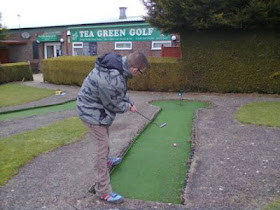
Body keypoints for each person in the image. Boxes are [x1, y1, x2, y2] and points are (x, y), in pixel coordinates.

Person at [77, 52, 149, 204]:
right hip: (91, 112)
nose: (140, 75)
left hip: (98, 110)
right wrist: (127, 107)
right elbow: (113, 104)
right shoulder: (112, 77)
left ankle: (108, 160)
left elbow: (121, 92)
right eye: (141, 72)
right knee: (100, 150)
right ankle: (103, 191)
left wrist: (129, 102)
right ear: (135, 69)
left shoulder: (119, 65)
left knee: (104, 137)